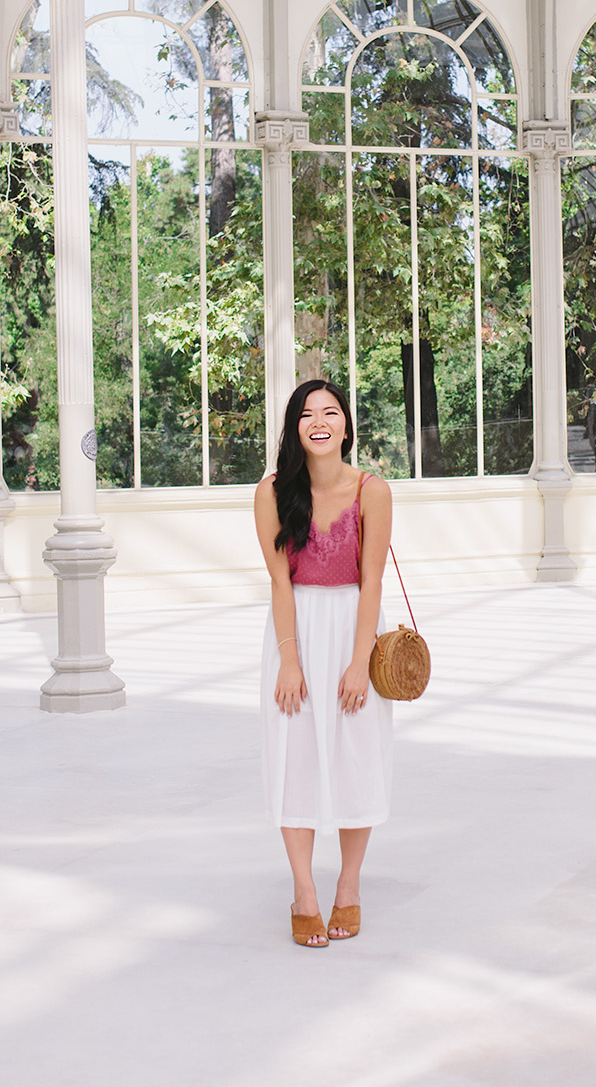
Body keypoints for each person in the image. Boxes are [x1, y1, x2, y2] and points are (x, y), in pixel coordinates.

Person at [254, 380, 393, 948]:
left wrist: (360, 662)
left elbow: (372, 582)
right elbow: (279, 583)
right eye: (307, 414)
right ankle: (304, 891)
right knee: (296, 759)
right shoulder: (271, 492)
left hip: (354, 631)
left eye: (330, 412)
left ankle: (349, 885)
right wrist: (289, 661)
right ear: (294, 427)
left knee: (356, 757)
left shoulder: (372, 491)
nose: (319, 422)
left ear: (345, 425)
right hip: (296, 633)